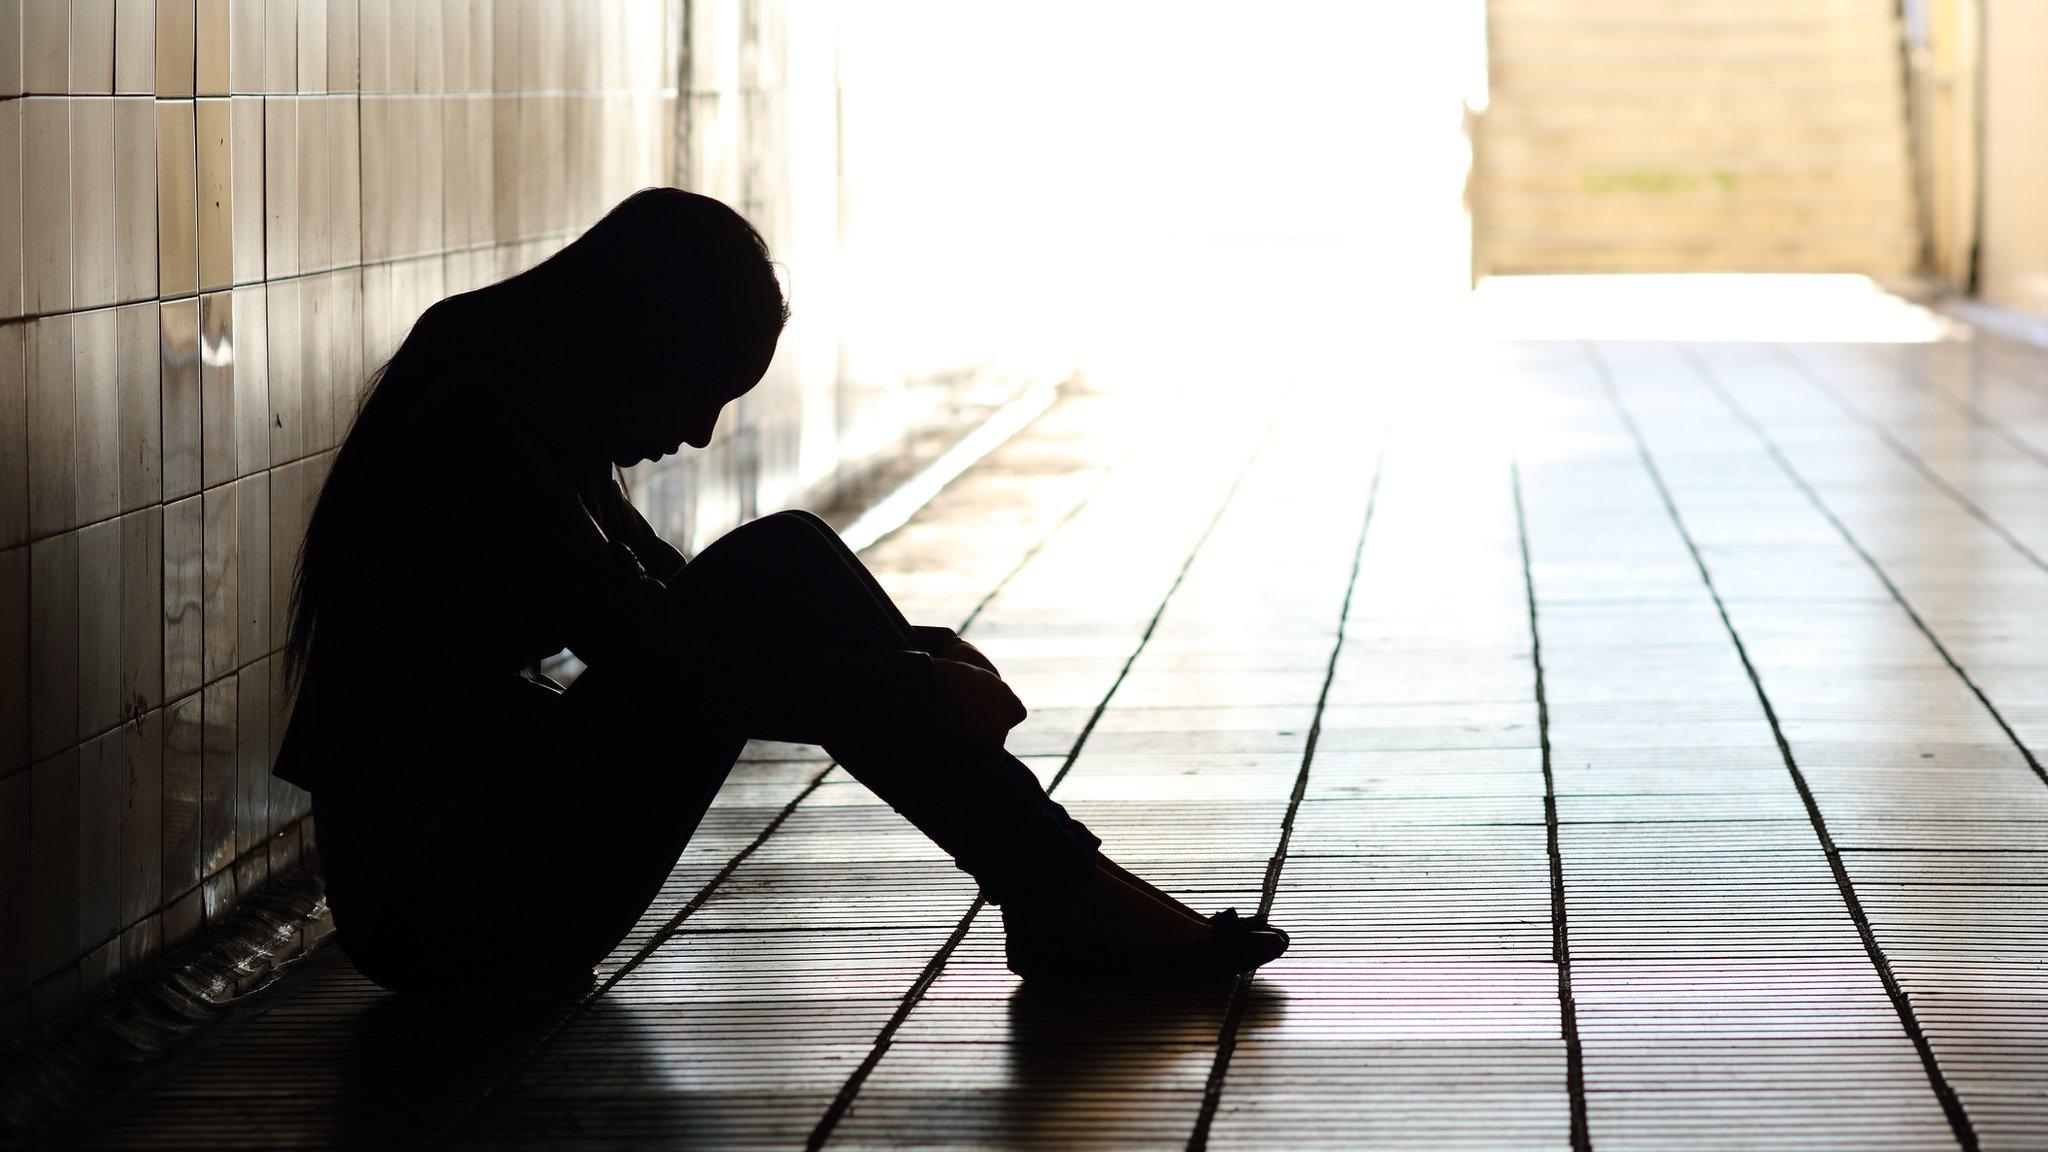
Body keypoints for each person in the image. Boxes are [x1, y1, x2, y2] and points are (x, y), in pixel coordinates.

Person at [274, 188, 1288, 996]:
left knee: (783, 563)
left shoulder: (513, 384)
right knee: (778, 566)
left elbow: (667, 606)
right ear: (635, 342)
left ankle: (1057, 893)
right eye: (699, 390)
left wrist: (918, 657)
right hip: (444, 912)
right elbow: (663, 655)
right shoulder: (476, 412)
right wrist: (913, 690)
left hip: (478, 875)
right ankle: (1061, 894)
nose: (701, 434)